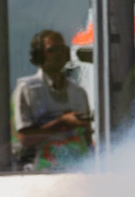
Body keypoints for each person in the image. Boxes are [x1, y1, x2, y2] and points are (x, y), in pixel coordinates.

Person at [12, 30, 92, 171]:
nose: (59, 54)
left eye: (62, 49)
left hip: (78, 169)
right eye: (52, 50)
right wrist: (63, 122)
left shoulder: (78, 92)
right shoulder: (27, 89)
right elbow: (25, 139)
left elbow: (87, 139)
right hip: (41, 171)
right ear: (38, 56)